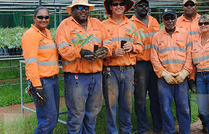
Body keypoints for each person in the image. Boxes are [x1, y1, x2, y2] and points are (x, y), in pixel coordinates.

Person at [56, 0, 113, 133]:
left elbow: (109, 41)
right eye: (80, 7)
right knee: (76, 115)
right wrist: (80, 52)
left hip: (96, 76)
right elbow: (62, 48)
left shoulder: (97, 24)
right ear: (72, 10)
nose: (84, 10)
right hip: (76, 78)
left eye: (86, 8)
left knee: (92, 113)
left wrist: (105, 49)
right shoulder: (65, 25)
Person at [102, 0, 143, 133]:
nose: (118, 6)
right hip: (110, 71)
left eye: (121, 3)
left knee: (126, 106)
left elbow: (140, 46)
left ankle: (126, 131)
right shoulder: (103, 26)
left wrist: (132, 46)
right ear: (110, 7)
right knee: (111, 105)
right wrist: (111, 54)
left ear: (125, 7)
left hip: (128, 71)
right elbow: (98, 50)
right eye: (115, 4)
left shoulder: (132, 25)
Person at [150, 8, 192, 134]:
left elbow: (189, 54)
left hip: (181, 77)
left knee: (184, 108)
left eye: (172, 18)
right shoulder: (157, 36)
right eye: (166, 18)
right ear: (162, 20)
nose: (169, 21)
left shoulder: (185, 34)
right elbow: (154, 57)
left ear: (176, 18)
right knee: (165, 108)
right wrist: (164, 73)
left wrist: (185, 72)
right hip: (164, 79)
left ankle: (185, 131)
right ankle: (169, 131)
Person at [21, 6, 60, 133]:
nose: (44, 19)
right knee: (47, 120)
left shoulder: (47, 33)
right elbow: (31, 63)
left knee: (52, 118)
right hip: (43, 82)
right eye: (40, 17)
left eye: (46, 17)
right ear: (34, 18)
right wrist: (37, 86)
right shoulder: (31, 35)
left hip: (53, 80)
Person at [130, 0, 162, 133]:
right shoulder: (130, 23)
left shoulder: (154, 20)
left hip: (155, 64)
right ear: (135, 7)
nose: (144, 7)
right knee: (141, 99)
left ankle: (158, 127)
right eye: (140, 5)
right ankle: (143, 129)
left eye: (146, 5)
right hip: (140, 65)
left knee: (156, 97)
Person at [176, 0, 207, 132]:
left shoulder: (202, 20)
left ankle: (205, 123)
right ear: (183, 7)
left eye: (191, 4)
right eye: (186, 5)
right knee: (182, 97)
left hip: (200, 62)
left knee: (202, 95)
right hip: (183, 62)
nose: (189, 7)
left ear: (196, 6)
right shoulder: (177, 21)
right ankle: (184, 126)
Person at [190, 14, 209, 134]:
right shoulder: (195, 40)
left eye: (206, 23)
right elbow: (193, 62)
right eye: (201, 23)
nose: (203, 25)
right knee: (203, 109)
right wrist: (192, 79)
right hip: (200, 77)